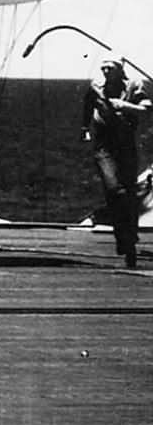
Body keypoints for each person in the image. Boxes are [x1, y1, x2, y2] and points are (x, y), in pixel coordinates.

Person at [84, 59, 146, 270]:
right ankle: (124, 236)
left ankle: (128, 240)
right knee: (114, 189)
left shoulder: (133, 86)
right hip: (104, 146)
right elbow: (88, 104)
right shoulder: (96, 87)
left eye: (110, 68)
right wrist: (85, 128)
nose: (105, 71)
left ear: (120, 70)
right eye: (103, 67)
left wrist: (124, 105)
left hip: (126, 145)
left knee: (129, 193)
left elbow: (146, 108)